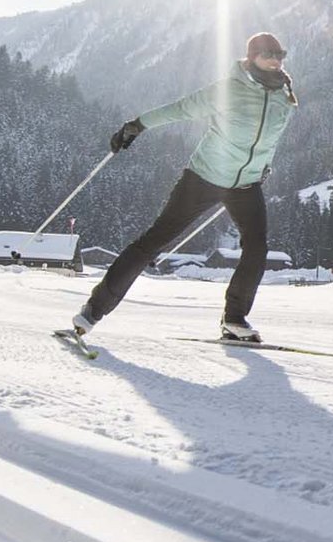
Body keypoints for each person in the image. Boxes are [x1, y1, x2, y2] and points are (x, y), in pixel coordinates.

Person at [71, 33, 299, 343]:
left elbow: (268, 141)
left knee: (257, 248)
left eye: (279, 54)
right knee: (153, 242)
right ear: (252, 57)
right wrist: (138, 124)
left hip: (246, 184)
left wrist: (263, 168)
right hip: (203, 178)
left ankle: (234, 318)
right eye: (267, 54)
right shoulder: (230, 90)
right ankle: (93, 310)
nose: (275, 60)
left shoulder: (284, 96)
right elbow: (181, 109)